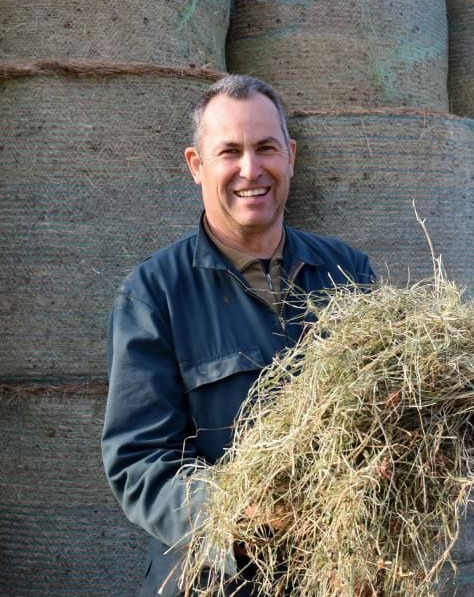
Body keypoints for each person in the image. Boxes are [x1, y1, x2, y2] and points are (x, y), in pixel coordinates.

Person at [101, 75, 374, 597]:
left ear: (290, 156)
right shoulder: (154, 295)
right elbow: (138, 464)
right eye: (229, 151)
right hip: (216, 579)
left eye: (266, 148)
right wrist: (240, 510)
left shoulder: (349, 273)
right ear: (196, 165)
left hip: (340, 575)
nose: (252, 170)